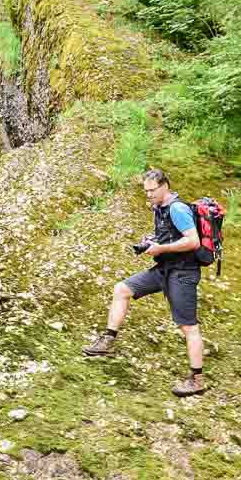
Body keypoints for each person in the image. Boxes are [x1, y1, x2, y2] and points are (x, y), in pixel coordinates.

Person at [83, 168, 206, 397]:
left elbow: (193, 241)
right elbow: (168, 235)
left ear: (164, 186)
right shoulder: (159, 209)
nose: (148, 195)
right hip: (164, 269)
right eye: (146, 191)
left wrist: (162, 248)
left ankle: (197, 379)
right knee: (121, 289)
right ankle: (107, 341)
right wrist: (151, 241)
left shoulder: (178, 208)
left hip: (183, 273)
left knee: (188, 326)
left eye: (152, 190)